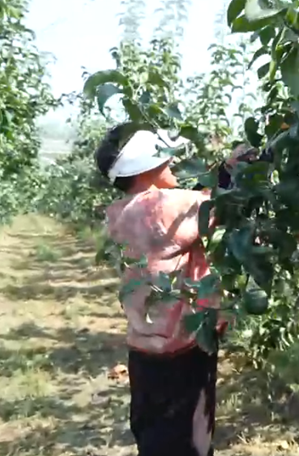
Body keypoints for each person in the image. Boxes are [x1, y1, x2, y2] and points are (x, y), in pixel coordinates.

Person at [94, 124, 231, 456]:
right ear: (147, 166)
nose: (173, 165)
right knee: (189, 441)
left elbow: (188, 209)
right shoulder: (162, 207)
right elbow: (221, 204)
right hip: (183, 349)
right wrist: (236, 168)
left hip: (144, 351)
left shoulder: (121, 212)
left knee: (155, 436)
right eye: (166, 160)